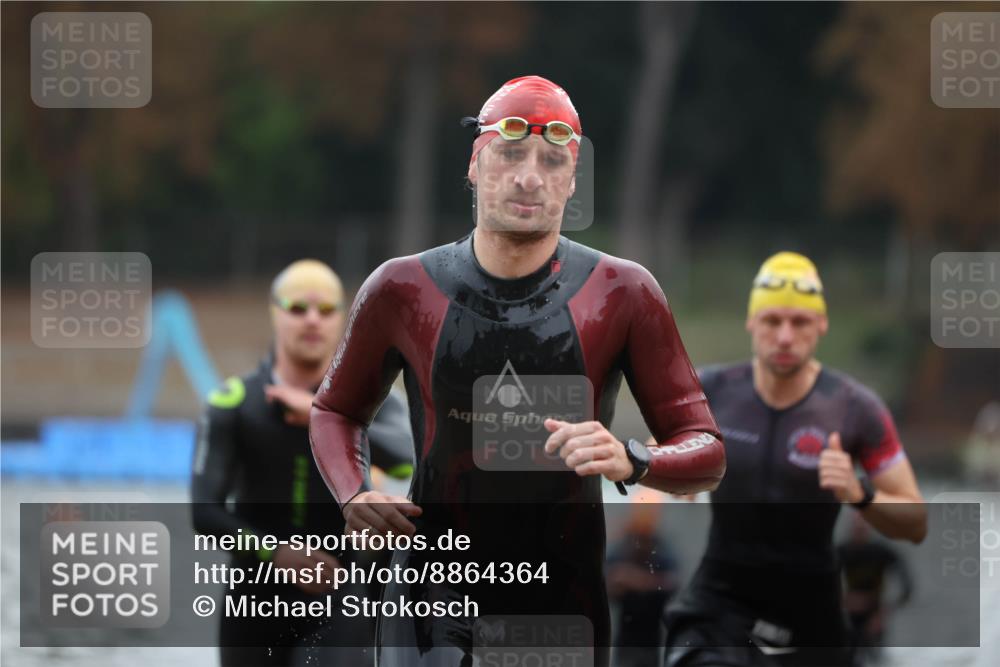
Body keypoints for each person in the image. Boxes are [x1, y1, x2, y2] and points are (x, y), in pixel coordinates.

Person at [309, 75, 726, 667]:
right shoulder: (402, 288)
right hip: (431, 584)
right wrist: (353, 493)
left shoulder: (625, 293)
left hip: (561, 600)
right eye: (510, 154)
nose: (530, 175)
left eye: (552, 161)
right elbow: (336, 410)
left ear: (572, 181)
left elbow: (706, 452)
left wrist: (634, 459)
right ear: (476, 165)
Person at [662, 252, 927, 667]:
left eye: (799, 322)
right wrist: (675, 468)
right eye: (772, 321)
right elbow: (658, 454)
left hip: (811, 613)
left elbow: (915, 521)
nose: (785, 336)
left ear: (821, 324)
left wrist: (859, 493)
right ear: (752, 323)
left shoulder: (855, 407)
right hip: (721, 601)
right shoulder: (711, 390)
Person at [191, 259, 413, 667]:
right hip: (254, 598)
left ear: (342, 320)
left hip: (339, 592)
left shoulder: (372, 403)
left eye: (326, 310)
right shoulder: (232, 403)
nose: (312, 320)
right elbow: (204, 515)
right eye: (297, 308)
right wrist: (278, 556)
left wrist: (319, 413)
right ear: (276, 314)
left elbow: (405, 463)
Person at [837, 513, 914, 666]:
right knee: (847, 656)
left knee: (874, 657)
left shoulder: (881, 552)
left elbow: (906, 586)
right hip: (849, 615)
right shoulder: (842, 551)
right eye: (856, 527)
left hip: (874, 613)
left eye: (863, 527)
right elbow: (824, 581)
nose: (859, 531)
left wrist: (885, 611)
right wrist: (843, 600)